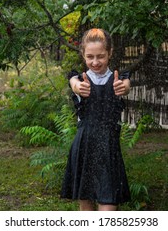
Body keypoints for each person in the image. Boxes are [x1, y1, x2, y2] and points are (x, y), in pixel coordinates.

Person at [61, 28, 131, 211]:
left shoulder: (119, 80)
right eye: (90, 56)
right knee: (86, 209)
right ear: (83, 55)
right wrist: (77, 87)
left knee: (108, 207)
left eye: (100, 56)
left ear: (110, 53)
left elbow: (126, 86)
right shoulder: (79, 79)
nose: (95, 62)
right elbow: (74, 83)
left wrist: (123, 88)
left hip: (108, 150)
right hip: (84, 147)